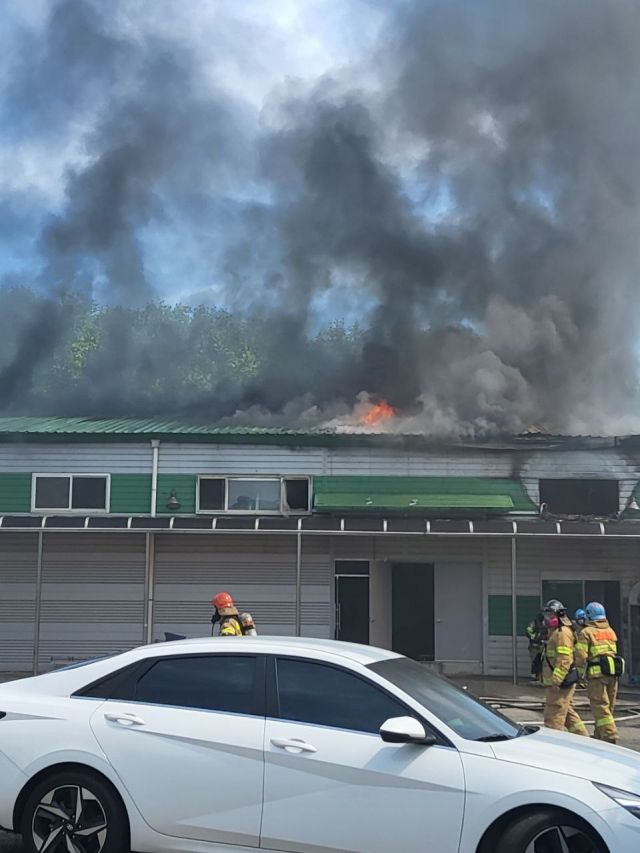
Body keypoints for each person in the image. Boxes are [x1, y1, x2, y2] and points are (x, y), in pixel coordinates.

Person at [574, 602, 623, 744]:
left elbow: (581, 656)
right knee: (608, 707)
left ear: (588, 615)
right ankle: (600, 734)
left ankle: (609, 736)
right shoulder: (610, 631)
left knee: (600, 706)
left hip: (597, 676)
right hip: (613, 673)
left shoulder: (586, 632)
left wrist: (579, 674)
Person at [542, 599, 588, 736]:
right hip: (559, 682)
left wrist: (556, 680)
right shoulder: (555, 632)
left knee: (553, 716)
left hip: (560, 684)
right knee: (568, 713)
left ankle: (554, 744)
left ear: (559, 615)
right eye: (546, 615)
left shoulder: (562, 634)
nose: (547, 618)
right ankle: (583, 739)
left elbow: (564, 660)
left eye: (550, 615)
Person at [525, 610, 547, 683]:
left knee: (542, 663)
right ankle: (534, 678)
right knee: (535, 662)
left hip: (543, 646)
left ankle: (541, 678)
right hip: (534, 647)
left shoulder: (545, 623)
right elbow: (528, 632)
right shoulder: (533, 623)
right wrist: (536, 637)